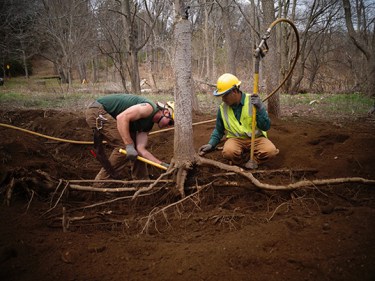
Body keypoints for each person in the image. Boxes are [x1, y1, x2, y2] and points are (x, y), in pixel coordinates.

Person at [85, 93, 174, 181]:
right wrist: (129, 145)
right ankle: (100, 183)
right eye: (171, 122)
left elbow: (141, 149)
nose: (169, 126)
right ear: (166, 112)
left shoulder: (148, 125)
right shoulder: (149, 108)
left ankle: (141, 183)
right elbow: (122, 118)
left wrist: (161, 164)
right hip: (97, 111)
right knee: (124, 147)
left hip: (109, 115)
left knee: (134, 148)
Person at [198, 73, 279, 169]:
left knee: (271, 151)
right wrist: (211, 144)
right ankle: (241, 163)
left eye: (225, 95)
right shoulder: (223, 108)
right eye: (221, 96)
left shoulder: (253, 102)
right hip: (235, 140)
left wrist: (260, 108)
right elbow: (219, 130)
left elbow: (265, 126)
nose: (223, 99)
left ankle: (254, 161)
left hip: (256, 138)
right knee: (228, 152)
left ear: (235, 91)